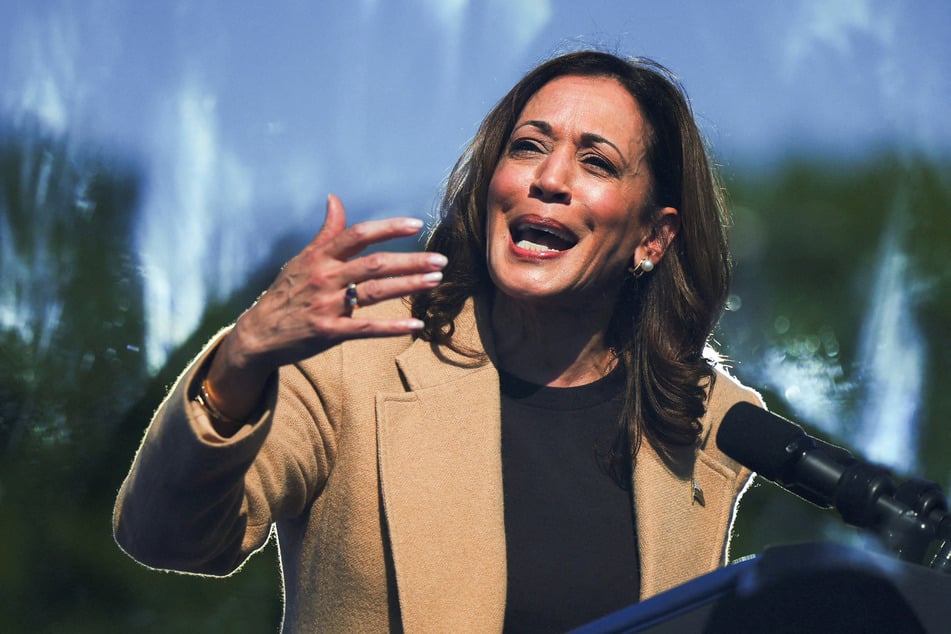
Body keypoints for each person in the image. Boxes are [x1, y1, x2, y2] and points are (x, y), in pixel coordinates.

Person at [114, 50, 763, 632]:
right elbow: (168, 539)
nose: (550, 178)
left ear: (653, 237)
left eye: (595, 161)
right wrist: (241, 356)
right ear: (490, 187)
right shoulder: (356, 358)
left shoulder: (709, 422)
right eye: (528, 147)